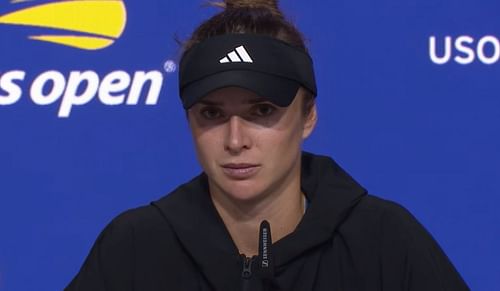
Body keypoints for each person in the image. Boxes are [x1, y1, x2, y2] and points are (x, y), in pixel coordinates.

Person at [65, 0, 469, 290]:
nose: (235, 140)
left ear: (308, 115)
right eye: (212, 114)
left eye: (261, 111)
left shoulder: (382, 240)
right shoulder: (135, 247)